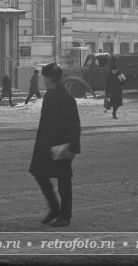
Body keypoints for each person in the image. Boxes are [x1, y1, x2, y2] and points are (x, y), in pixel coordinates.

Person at [29, 62, 81, 228]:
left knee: (64, 180)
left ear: (50, 79)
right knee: (39, 173)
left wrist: (73, 147)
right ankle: (54, 208)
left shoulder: (66, 99)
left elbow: (74, 125)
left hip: (61, 145)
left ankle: (65, 215)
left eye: (45, 77)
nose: (43, 80)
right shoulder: (50, 95)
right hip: (45, 144)